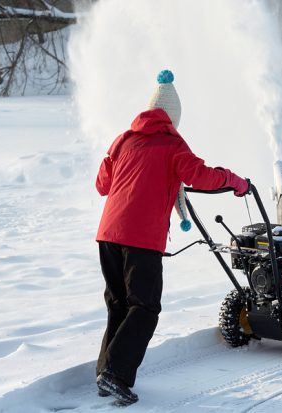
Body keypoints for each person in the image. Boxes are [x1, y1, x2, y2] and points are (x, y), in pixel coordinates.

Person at [93, 69, 249, 405]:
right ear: (173, 118)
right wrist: (235, 181)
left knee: (119, 304)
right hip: (140, 238)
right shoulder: (172, 144)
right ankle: (115, 374)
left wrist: (112, 159)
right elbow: (201, 177)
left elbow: (102, 185)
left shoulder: (124, 139)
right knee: (145, 307)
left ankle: (106, 372)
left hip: (108, 235)